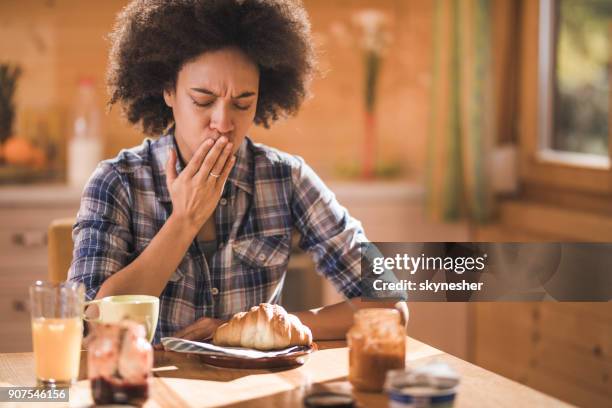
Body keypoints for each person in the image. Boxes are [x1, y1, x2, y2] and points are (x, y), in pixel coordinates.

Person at [69, 0, 407, 344]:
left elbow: (390, 304)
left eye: (243, 103)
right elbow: (86, 328)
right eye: (203, 100)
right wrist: (183, 221)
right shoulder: (116, 182)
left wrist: (263, 325)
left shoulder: (286, 179)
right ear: (168, 90)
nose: (224, 122)